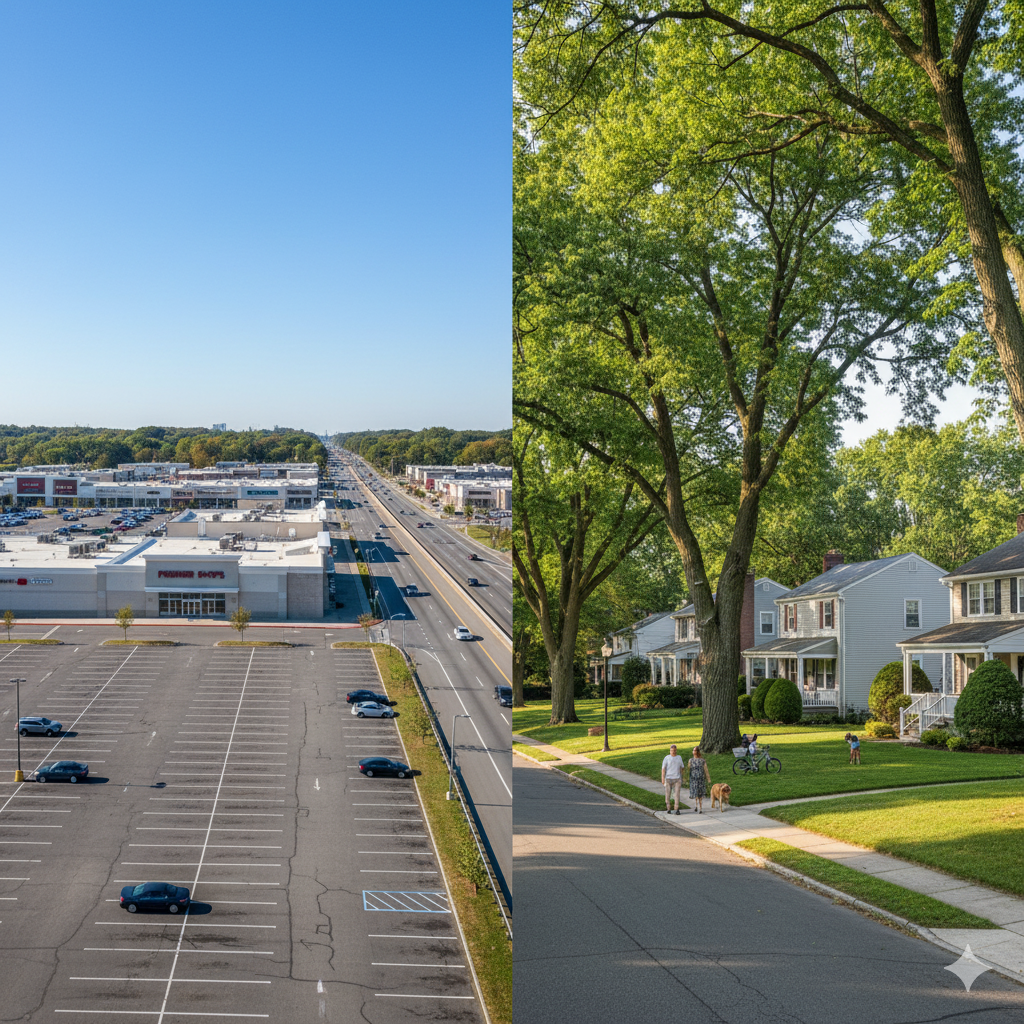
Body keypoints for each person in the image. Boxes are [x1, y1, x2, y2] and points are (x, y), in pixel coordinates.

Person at [687, 745, 711, 813]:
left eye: (695, 750)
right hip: (693, 779)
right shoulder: (690, 760)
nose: (694, 752)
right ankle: (696, 806)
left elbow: (706, 770)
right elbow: (688, 770)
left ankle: (700, 807)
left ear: (698, 752)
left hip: (700, 779)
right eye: (693, 750)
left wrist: (708, 778)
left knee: (700, 794)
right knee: (696, 794)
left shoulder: (702, 761)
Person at [661, 744, 684, 814]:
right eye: (672, 750)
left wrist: (681, 776)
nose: (673, 752)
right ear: (670, 751)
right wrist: (662, 778)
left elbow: (682, 767)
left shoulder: (679, 758)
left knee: (676, 794)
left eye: (674, 750)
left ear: (676, 750)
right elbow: (663, 769)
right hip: (668, 778)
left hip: (677, 779)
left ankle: (676, 809)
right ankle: (668, 808)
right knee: (668, 794)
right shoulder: (667, 758)